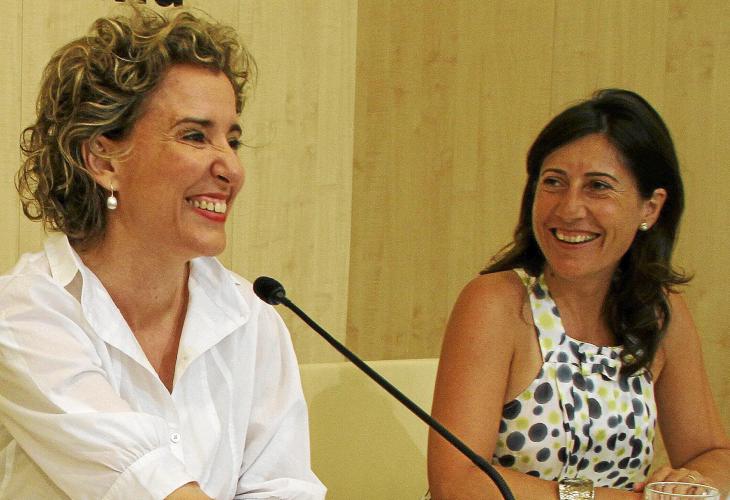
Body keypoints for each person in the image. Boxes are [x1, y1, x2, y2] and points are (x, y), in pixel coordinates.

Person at [0, 6, 325, 500]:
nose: (231, 168)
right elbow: (145, 484)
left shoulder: (252, 318)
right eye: (195, 136)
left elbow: (283, 487)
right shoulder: (24, 314)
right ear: (103, 159)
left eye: (232, 140)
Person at [427, 89, 730, 499]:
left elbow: (713, 454)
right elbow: (458, 483)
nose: (569, 209)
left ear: (651, 208)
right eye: (553, 183)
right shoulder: (497, 303)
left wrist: (692, 483)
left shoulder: (658, 309)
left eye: (598, 187)